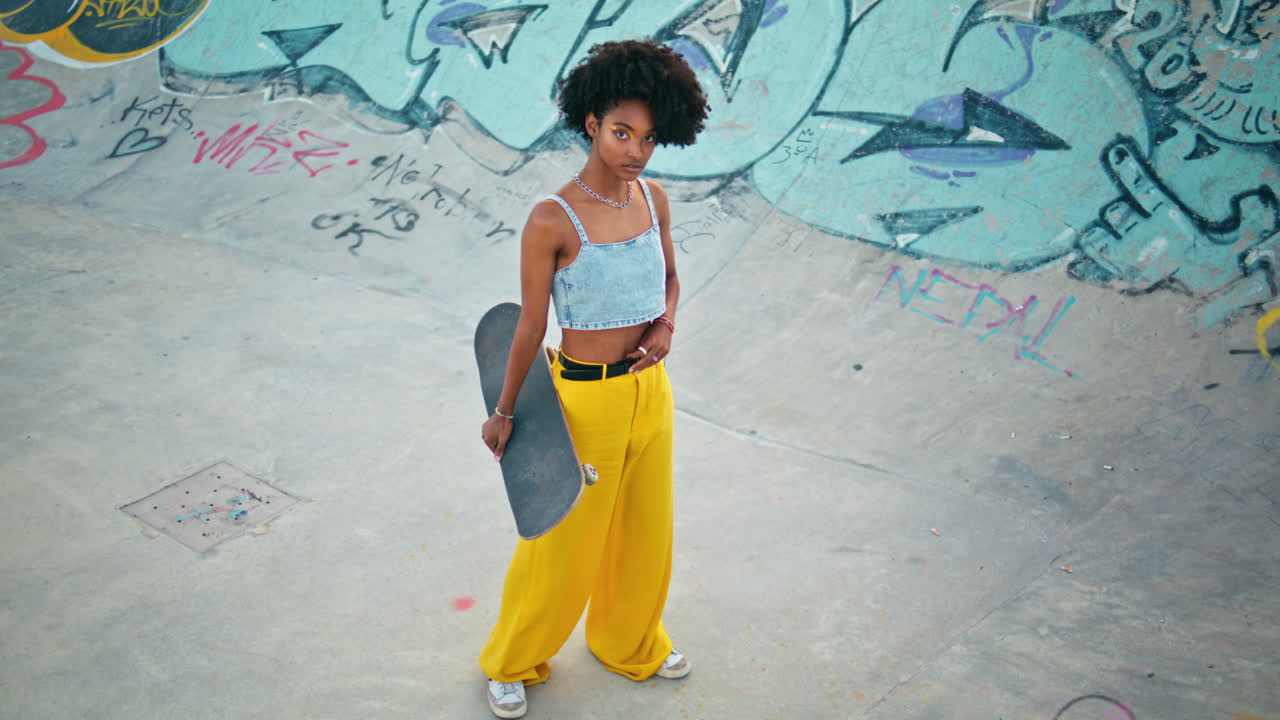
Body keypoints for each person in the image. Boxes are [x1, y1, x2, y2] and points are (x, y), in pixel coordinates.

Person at [477, 39, 710, 719]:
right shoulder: (554, 218)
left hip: (649, 394)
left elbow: (668, 279)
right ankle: (513, 660)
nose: (635, 150)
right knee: (561, 544)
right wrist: (505, 410)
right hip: (581, 402)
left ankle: (630, 642)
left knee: (645, 532)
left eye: (648, 136)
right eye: (620, 132)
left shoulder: (652, 197)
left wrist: (665, 326)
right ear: (590, 123)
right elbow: (528, 326)